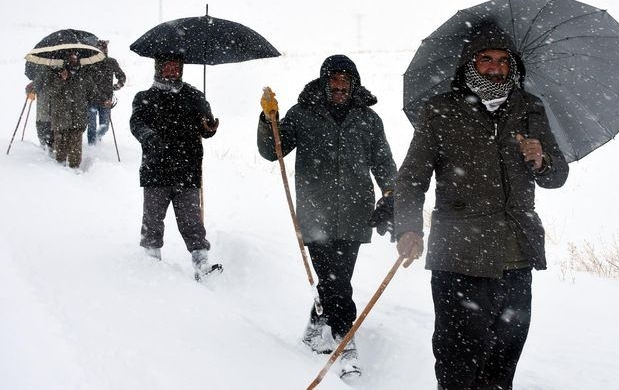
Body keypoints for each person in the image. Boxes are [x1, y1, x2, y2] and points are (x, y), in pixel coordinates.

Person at [393, 20, 569, 390]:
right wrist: (409, 227)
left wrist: (542, 160)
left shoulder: (529, 109)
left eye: (503, 61)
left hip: (517, 256)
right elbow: (411, 178)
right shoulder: (440, 111)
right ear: (469, 64)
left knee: (503, 363)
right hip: (459, 256)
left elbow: (557, 177)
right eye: (486, 59)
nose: (495, 68)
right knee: (457, 363)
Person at [256, 54, 397, 376]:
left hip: (355, 212)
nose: (339, 86)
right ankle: (345, 342)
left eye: (345, 80)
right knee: (337, 281)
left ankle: (313, 329)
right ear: (323, 82)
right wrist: (268, 120)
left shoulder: (368, 119)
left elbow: (383, 161)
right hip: (315, 211)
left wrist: (391, 193)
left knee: (337, 278)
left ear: (354, 83)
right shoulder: (302, 113)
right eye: (333, 79)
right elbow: (273, 151)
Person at [130, 55, 221, 280]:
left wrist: (209, 126)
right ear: (158, 69)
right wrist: (148, 136)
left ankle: (201, 262)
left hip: (187, 169)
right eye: (167, 67)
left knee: (192, 221)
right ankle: (151, 259)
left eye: (176, 67)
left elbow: (205, 129)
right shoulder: (144, 97)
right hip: (156, 169)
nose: (172, 71)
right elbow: (136, 124)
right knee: (152, 219)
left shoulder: (195, 96)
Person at [42, 52, 101, 168]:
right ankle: (59, 173)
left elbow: (94, 94)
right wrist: (60, 79)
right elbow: (49, 92)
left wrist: (104, 100)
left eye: (75, 56)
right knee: (60, 152)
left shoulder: (84, 76)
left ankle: (75, 172)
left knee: (75, 151)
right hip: (60, 118)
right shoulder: (54, 73)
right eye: (70, 57)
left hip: (78, 118)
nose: (73, 58)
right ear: (65, 59)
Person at [87, 40, 126, 145]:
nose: (104, 50)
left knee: (104, 126)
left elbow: (121, 76)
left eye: (105, 48)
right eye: (102, 47)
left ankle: (97, 140)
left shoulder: (111, 62)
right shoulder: (89, 62)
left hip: (107, 99)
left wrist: (118, 85)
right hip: (91, 99)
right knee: (91, 126)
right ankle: (92, 146)